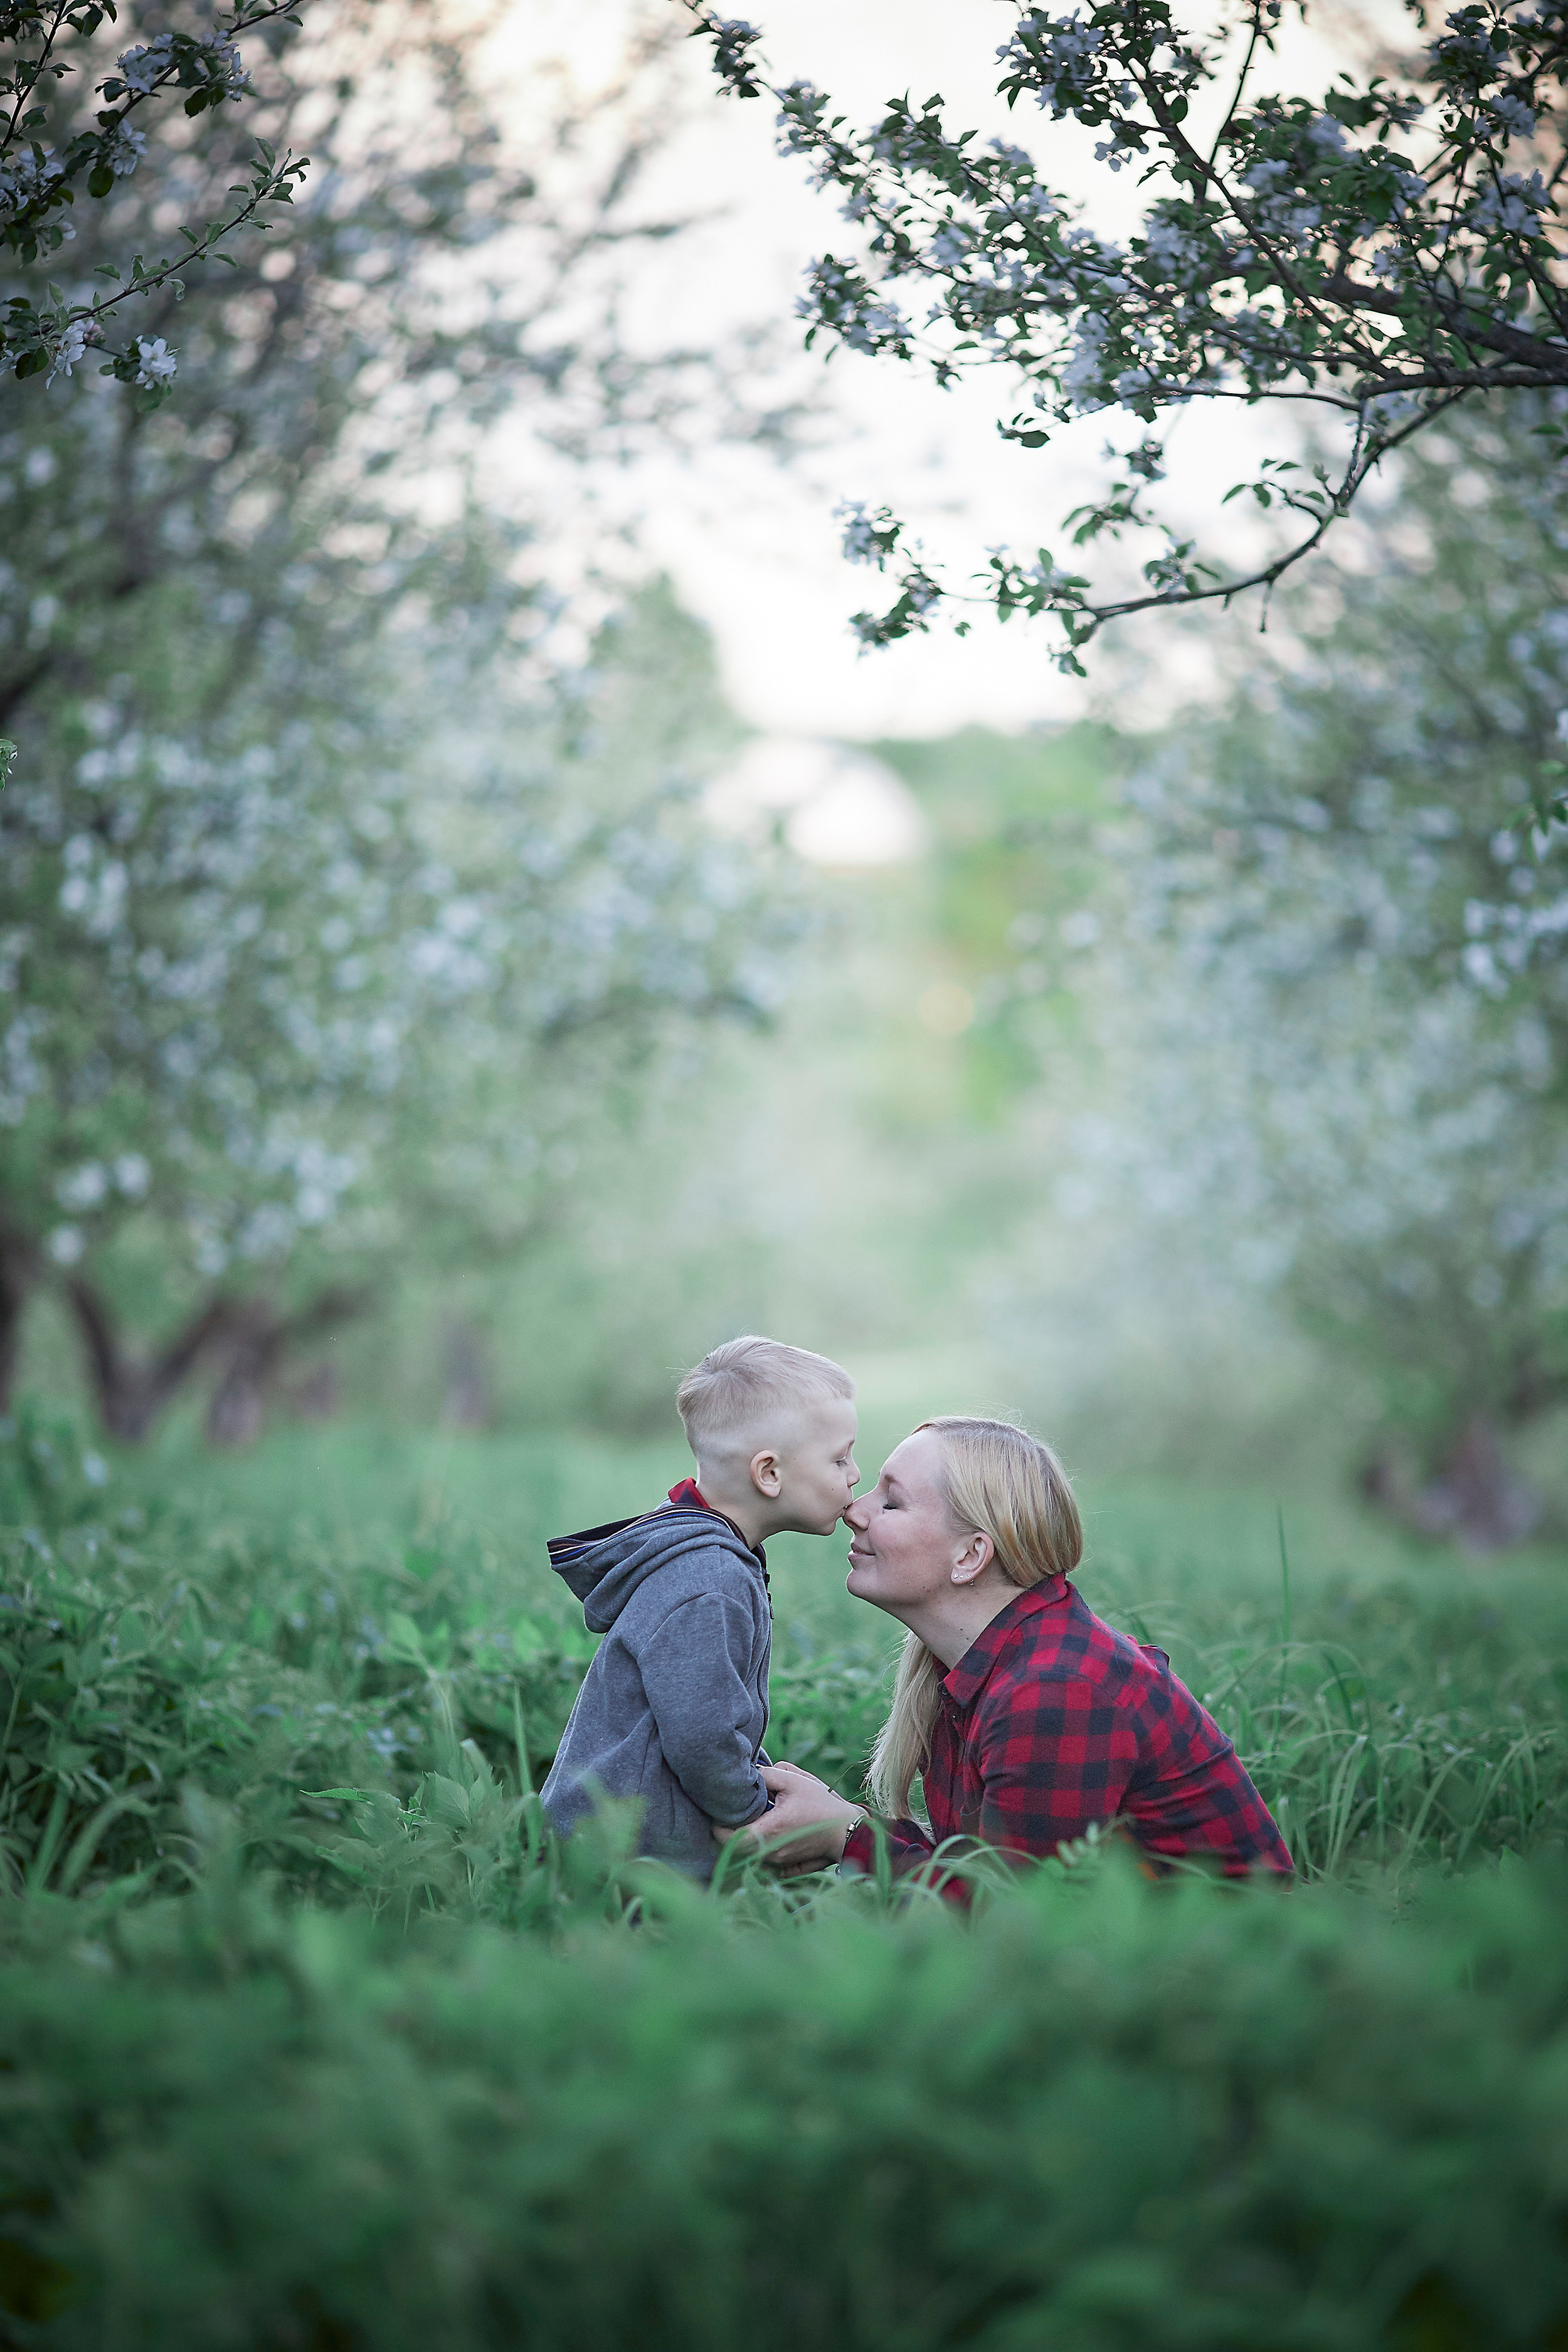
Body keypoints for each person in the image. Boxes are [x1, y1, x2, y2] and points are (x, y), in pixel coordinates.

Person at [733, 1416, 1293, 1892]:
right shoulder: (981, 1667)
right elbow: (983, 1870)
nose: (855, 1511)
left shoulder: (1056, 1690)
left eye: (892, 1501)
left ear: (970, 1556)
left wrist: (846, 1835)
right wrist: (840, 1824)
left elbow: (1012, 1924)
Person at [539, 1335, 859, 1878]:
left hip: (635, 1842)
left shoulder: (708, 1555)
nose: (854, 1474)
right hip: (624, 1860)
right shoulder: (708, 1581)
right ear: (770, 1474)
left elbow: (707, 1709)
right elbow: (701, 1738)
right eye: (840, 1458)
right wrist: (753, 1817)